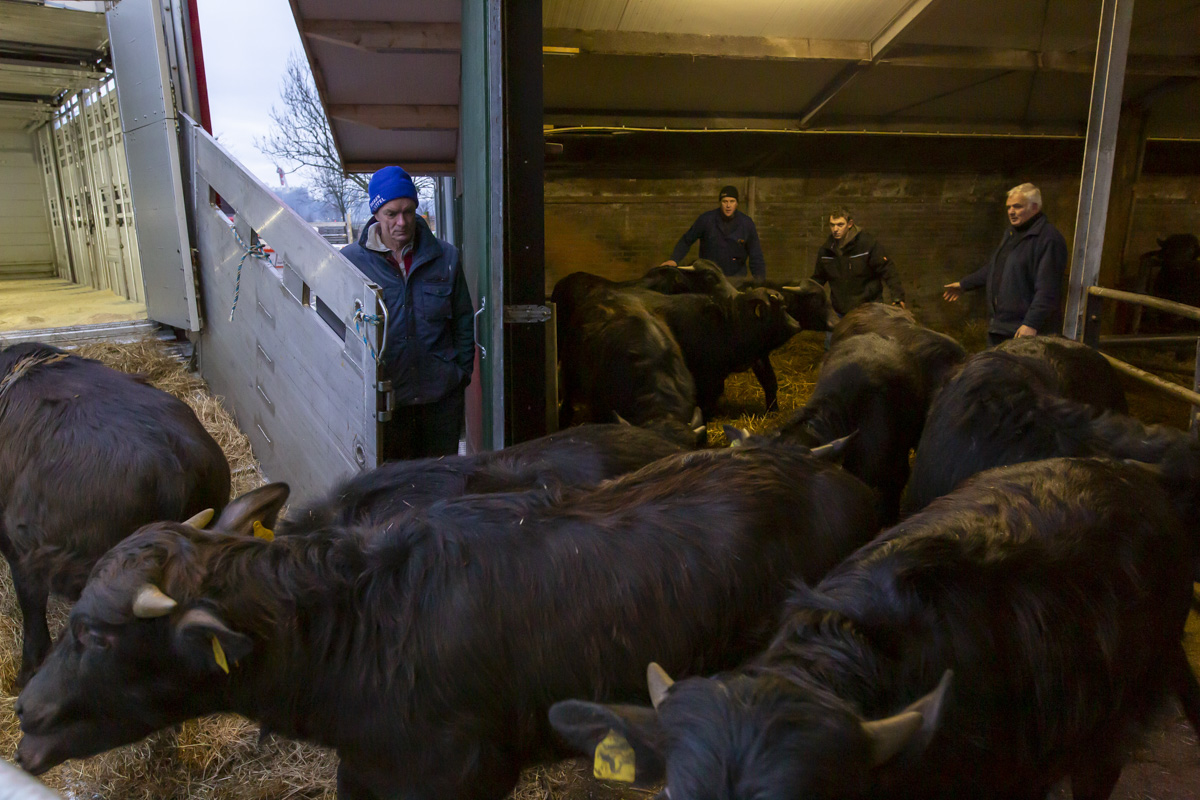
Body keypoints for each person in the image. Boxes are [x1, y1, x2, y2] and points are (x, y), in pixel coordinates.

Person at [341, 166, 475, 460]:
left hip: (440, 400)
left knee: (442, 478)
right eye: (391, 214)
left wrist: (461, 373)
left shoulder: (445, 257)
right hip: (386, 403)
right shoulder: (351, 262)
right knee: (396, 481)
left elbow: (464, 319)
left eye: (408, 212)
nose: (401, 222)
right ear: (376, 214)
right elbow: (337, 328)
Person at [943, 183, 1068, 346]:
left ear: (1035, 207)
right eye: (1009, 207)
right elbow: (996, 267)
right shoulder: (1012, 233)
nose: (1011, 211)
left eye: (1017, 206)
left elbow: (1048, 289)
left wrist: (1031, 324)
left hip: (1023, 332)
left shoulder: (1048, 239)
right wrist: (964, 284)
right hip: (1001, 327)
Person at [811, 207, 906, 318]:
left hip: (869, 312)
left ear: (850, 224)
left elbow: (888, 270)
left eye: (840, 225)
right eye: (832, 225)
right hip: (841, 312)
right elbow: (818, 279)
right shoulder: (826, 251)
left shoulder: (867, 245)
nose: (835, 229)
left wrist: (898, 298)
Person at [662, 185, 766, 279]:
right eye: (725, 201)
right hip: (709, 277)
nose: (728, 205)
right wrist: (674, 259)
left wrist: (760, 281)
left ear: (737, 203)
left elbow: (756, 254)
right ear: (720, 203)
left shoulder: (746, 224)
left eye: (732, 201)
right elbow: (686, 240)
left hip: (736, 278)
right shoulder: (706, 220)